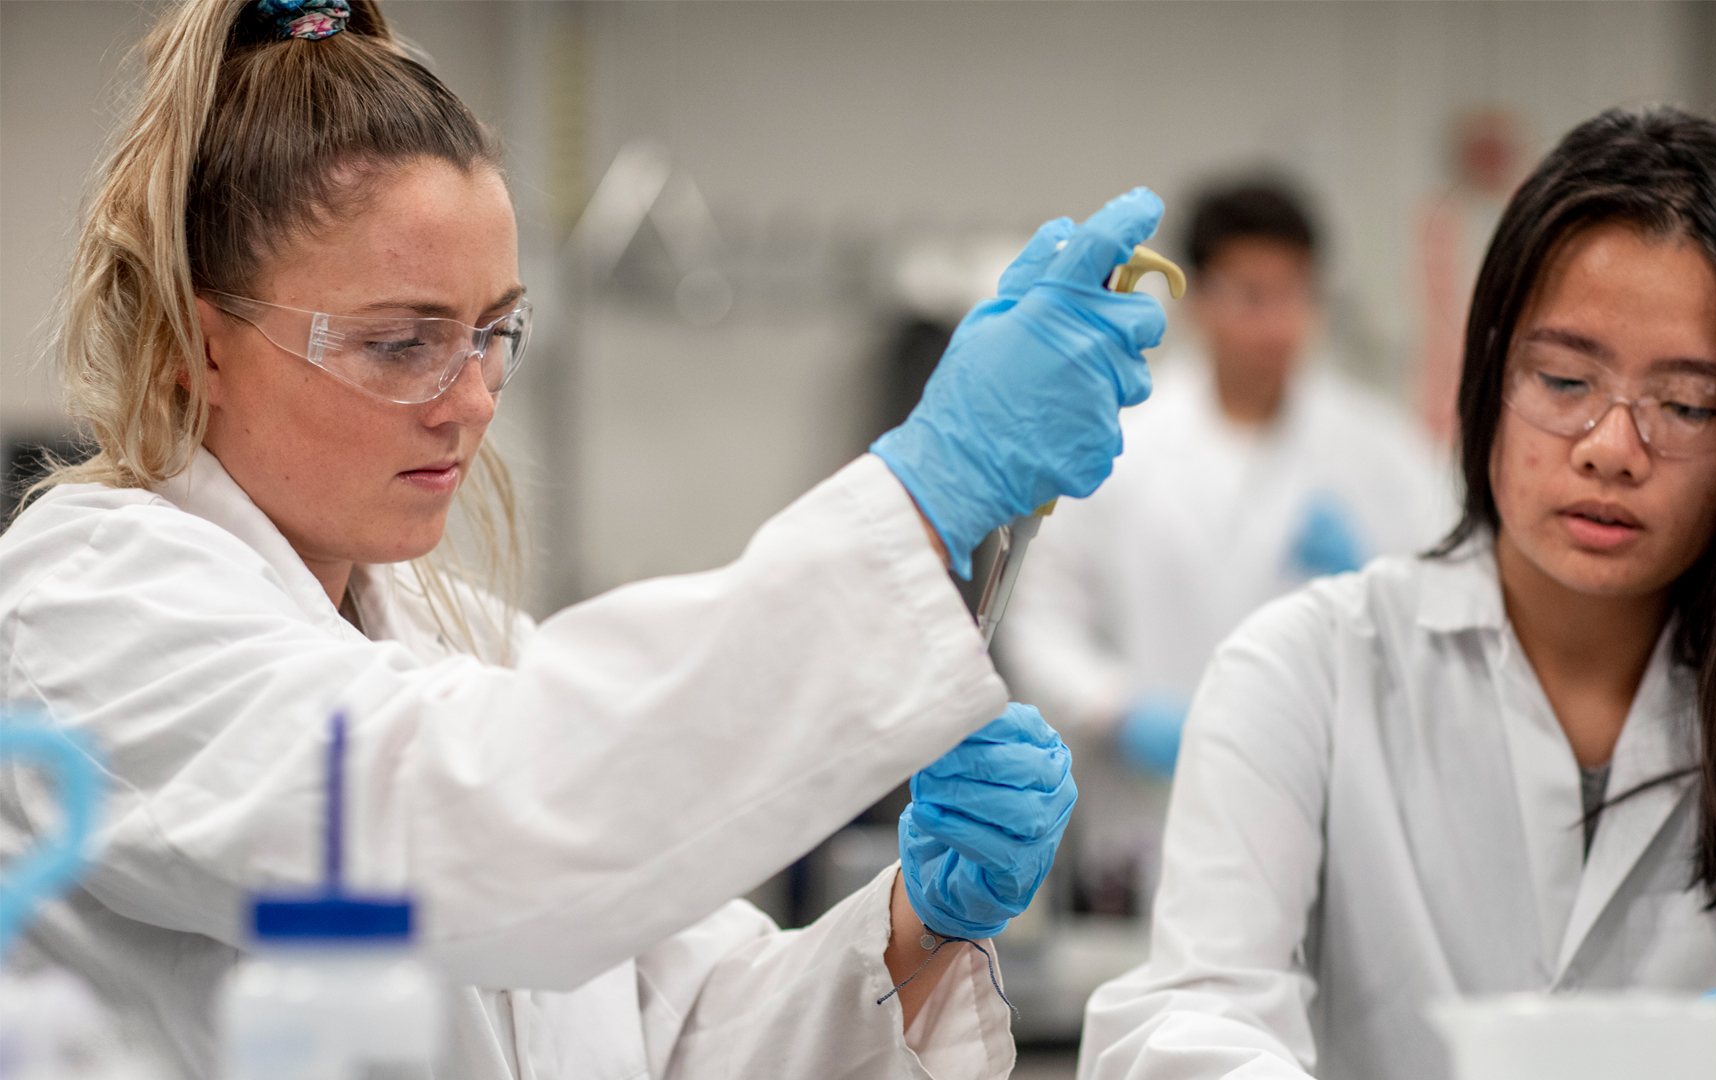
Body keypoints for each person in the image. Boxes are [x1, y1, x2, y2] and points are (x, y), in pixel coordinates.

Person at [0, 1, 1171, 1077]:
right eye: (401, 343)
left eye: (494, 332)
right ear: (197, 343)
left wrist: (919, 925)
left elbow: (691, 1026)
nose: (469, 400)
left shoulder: (468, 647)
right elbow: (473, 831)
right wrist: (931, 492)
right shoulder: (88, 611)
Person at [1079, 108, 1716, 1080]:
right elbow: (1191, 1018)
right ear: (1492, 370)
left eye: (1687, 406)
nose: (1611, 447)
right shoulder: (1304, 669)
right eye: (1565, 381)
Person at [993, 178, 1447, 913]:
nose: (1279, 325)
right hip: (1148, 822)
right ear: (1198, 299)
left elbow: (1447, 610)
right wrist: (1120, 710)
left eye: (1297, 295)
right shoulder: (1120, 441)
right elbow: (1040, 621)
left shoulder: (1380, 451)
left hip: (1325, 811)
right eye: (1252, 296)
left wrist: (1375, 581)